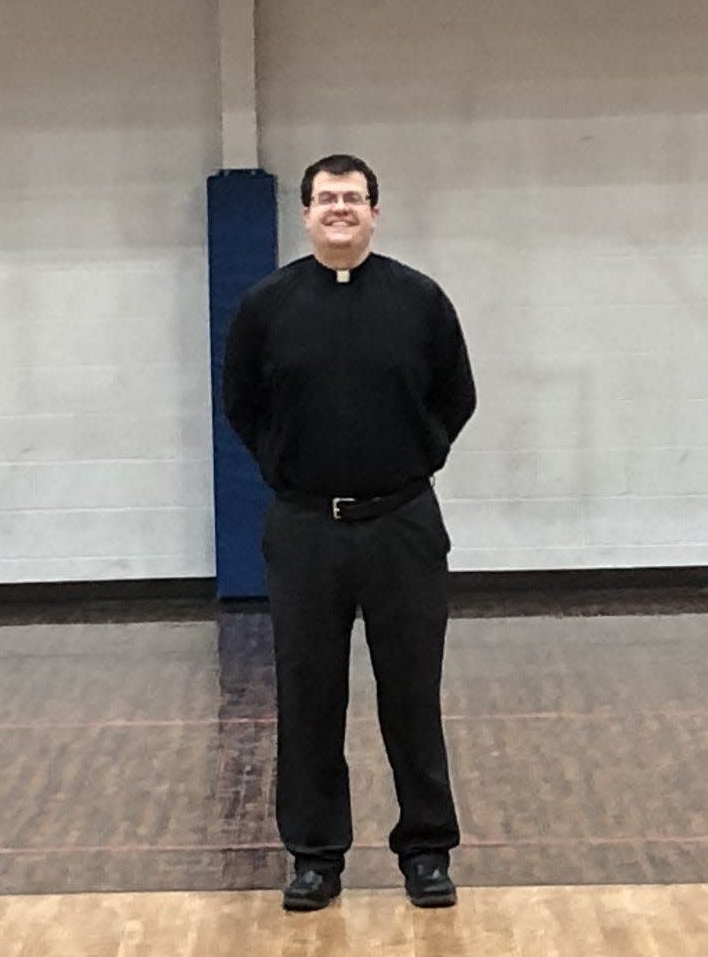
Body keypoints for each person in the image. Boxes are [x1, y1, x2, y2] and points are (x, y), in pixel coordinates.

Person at [224, 153, 476, 911]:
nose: (339, 208)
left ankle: (426, 850)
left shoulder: (420, 300)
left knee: (411, 694)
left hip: (401, 522)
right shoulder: (266, 306)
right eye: (325, 198)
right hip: (304, 527)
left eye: (353, 198)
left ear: (375, 211)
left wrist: (410, 462)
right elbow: (241, 402)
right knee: (307, 697)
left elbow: (455, 395)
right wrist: (289, 468)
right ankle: (315, 855)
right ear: (304, 214)